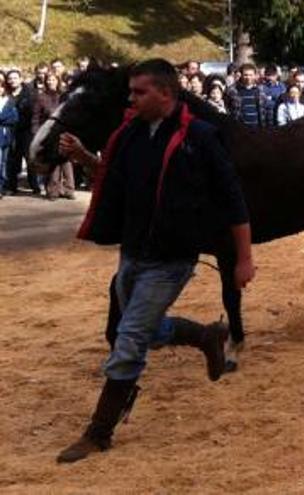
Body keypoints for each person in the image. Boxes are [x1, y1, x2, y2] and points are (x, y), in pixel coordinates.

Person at [54, 58, 254, 464]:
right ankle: (204, 336)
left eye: (139, 92)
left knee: (128, 341)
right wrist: (84, 159)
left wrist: (244, 259)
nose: (131, 98)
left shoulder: (200, 136)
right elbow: (115, 179)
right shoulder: (130, 134)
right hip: (133, 252)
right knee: (140, 328)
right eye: (130, 92)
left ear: (166, 93)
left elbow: (233, 199)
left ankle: (99, 432)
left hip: (172, 259)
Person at [33, 73, 76, 199]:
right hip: (48, 133)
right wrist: (36, 133)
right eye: (49, 80)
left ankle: (69, 189)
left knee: (66, 161)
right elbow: (36, 117)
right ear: (45, 82)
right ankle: (53, 190)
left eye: (53, 79)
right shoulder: (41, 97)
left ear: (58, 81)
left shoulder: (64, 96)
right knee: (53, 160)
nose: (51, 82)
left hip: (64, 130)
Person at [4, 69, 38, 195]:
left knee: (30, 158)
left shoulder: (29, 93)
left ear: (20, 79)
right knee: (12, 159)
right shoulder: (6, 94)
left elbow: (33, 113)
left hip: (26, 131)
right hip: (11, 130)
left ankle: (35, 186)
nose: (12, 80)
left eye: (15, 78)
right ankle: (12, 187)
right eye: (10, 78)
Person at [226, 63, 273, 128]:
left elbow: (268, 110)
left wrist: (269, 127)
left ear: (255, 76)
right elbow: (227, 109)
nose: (248, 77)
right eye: (246, 75)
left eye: (251, 75)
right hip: (239, 129)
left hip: (258, 129)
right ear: (241, 75)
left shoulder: (261, 91)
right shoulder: (232, 91)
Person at [0, 77, 18, 199]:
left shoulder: (10, 101)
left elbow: (14, 118)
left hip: (4, 136)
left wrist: (2, 118)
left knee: (2, 163)